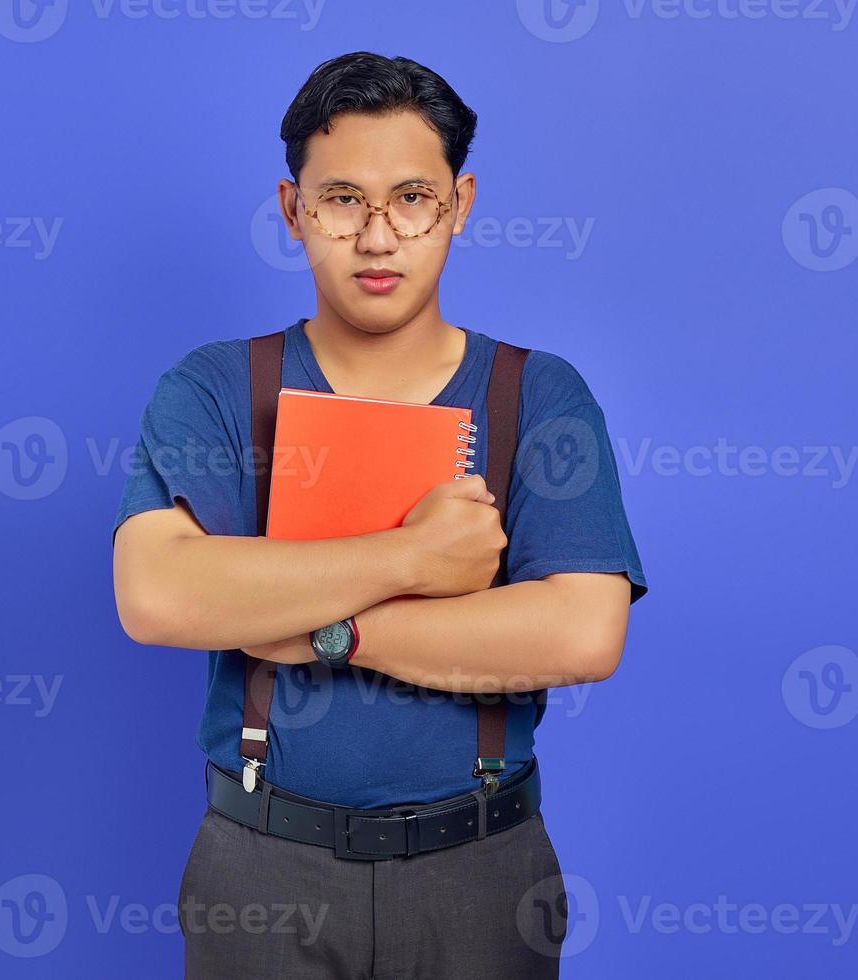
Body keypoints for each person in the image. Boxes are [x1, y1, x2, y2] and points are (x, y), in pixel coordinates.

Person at [111, 51, 647, 980]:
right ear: (293, 211)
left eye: (411, 197)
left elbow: (583, 631)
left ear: (461, 204)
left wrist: (326, 630)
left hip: (481, 869)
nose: (378, 236)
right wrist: (415, 555)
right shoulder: (217, 389)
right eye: (343, 200)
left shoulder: (539, 396)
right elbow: (158, 593)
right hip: (262, 869)